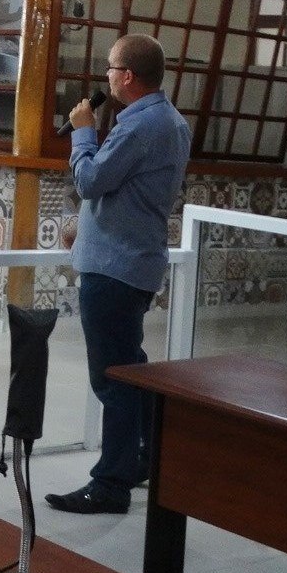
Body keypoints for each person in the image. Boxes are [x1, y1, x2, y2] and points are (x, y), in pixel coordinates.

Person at [45, 34, 191, 516]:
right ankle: (148, 457)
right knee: (130, 368)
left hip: (115, 270)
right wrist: (84, 232)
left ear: (127, 76)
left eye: (110, 68)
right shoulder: (170, 121)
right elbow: (127, 196)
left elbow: (90, 181)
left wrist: (83, 130)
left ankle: (111, 485)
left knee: (113, 379)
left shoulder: (140, 126)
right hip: (130, 260)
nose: (106, 77)